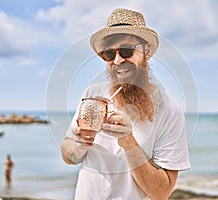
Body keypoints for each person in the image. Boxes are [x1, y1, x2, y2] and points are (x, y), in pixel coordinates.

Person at [61, 8, 190, 200]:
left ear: (146, 51)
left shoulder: (170, 111)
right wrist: (80, 144)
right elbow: (67, 153)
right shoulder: (93, 94)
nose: (118, 60)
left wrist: (129, 141)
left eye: (126, 50)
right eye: (109, 54)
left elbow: (161, 192)